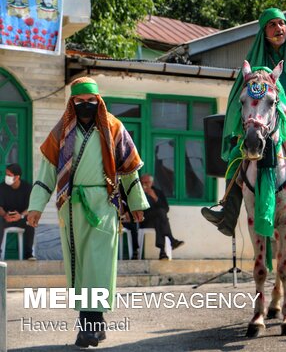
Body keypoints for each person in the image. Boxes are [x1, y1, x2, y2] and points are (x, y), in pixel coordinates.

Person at [26, 77, 149, 348]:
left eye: (90, 101)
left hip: (104, 203)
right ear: (72, 103)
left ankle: (89, 327)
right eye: (79, 101)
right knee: (80, 268)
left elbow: (129, 170)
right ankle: (96, 324)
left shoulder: (114, 128)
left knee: (97, 265)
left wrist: (137, 203)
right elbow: (46, 174)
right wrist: (36, 206)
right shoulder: (60, 132)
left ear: (98, 101)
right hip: (71, 206)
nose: (85, 105)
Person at [202, 7, 286, 236]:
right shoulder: (255, 58)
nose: (278, 28)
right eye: (272, 25)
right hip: (265, 117)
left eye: (281, 23)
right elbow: (246, 92)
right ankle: (227, 210)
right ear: (264, 31)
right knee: (237, 152)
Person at [140, 174, 184, 260]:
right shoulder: (138, 193)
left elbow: (166, 208)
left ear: (152, 183)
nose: (145, 184)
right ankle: (172, 240)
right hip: (145, 220)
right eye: (143, 182)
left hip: (157, 220)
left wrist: (155, 197)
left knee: (159, 219)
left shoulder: (158, 192)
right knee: (160, 214)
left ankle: (162, 252)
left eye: (147, 182)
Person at [0, 163, 35, 260]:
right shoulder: (2, 187)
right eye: (6, 175)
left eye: (9, 175)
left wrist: (21, 215)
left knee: (30, 222)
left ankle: (28, 254)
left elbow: (31, 207)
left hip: (21, 218)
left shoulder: (27, 188)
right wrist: (5, 215)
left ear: (17, 177)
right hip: (6, 218)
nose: (6, 177)